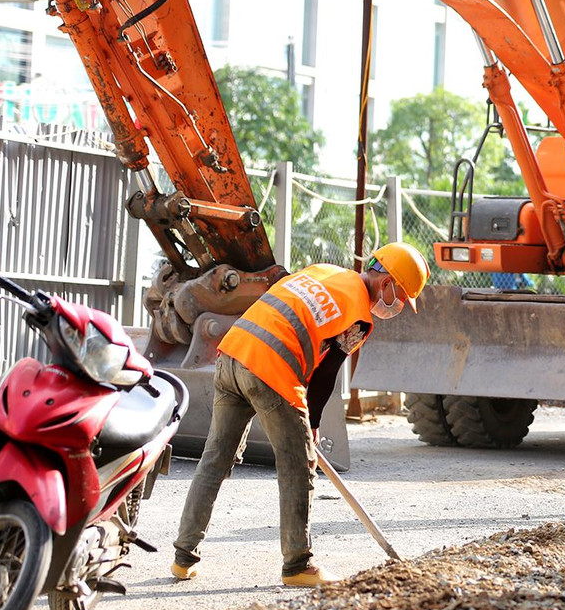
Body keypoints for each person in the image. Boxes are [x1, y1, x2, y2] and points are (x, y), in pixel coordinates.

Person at [171, 243, 430, 586]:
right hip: (270, 368)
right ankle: (297, 565)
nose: (396, 306)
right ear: (388, 285)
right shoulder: (360, 317)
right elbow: (326, 373)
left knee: (215, 459)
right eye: (400, 298)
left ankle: (183, 557)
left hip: (232, 354)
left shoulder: (324, 271)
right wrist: (314, 424)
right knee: (297, 465)